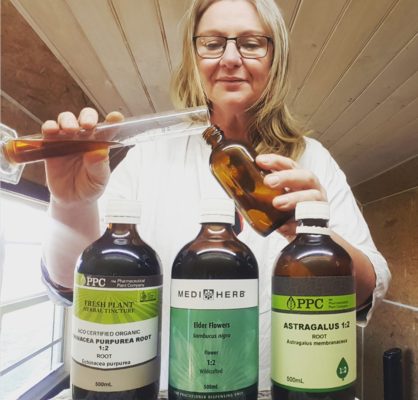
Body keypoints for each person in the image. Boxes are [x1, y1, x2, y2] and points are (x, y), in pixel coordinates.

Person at [41, 0, 390, 391]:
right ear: (194, 56)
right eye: (212, 43)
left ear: (275, 57)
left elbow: (370, 286)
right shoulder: (147, 156)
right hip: (170, 390)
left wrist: (315, 237)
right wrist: (72, 206)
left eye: (251, 43)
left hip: (284, 390)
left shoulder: (312, 159)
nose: (230, 58)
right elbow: (75, 285)